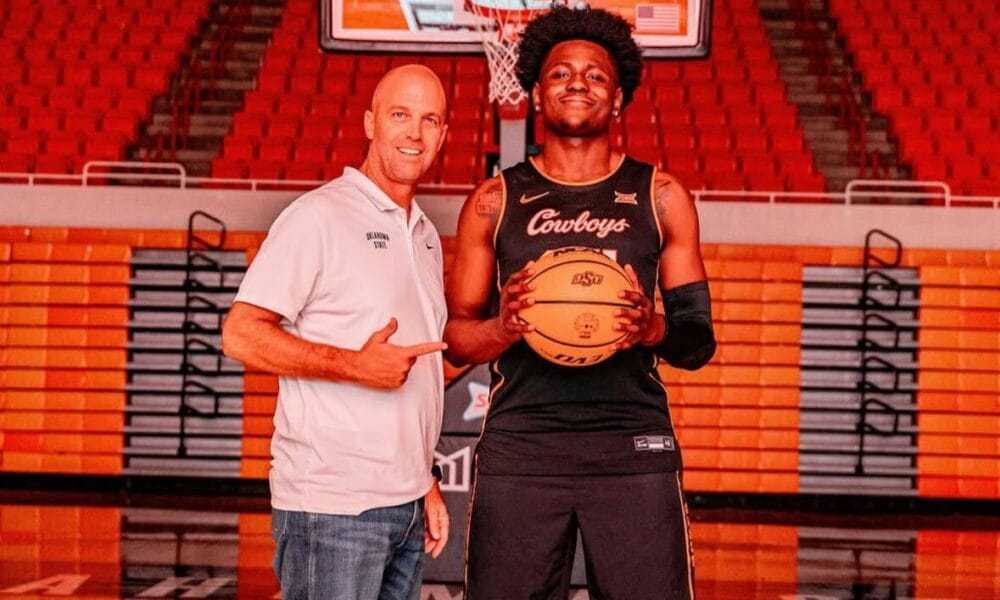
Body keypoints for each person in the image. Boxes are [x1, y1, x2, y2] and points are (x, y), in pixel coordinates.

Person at [443, 7, 717, 599]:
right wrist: (504, 327)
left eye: (595, 76)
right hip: (522, 449)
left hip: (632, 449)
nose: (577, 83)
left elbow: (698, 341)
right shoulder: (493, 201)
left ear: (617, 100)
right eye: (560, 73)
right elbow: (457, 339)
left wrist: (651, 329)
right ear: (535, 95)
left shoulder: (662, 197)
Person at [222, 64, 451, 600]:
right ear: (371, 123)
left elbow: (415, 384)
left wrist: (424, 482)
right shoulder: (318, 217)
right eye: (400, 114)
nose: (415, 133)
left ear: (443, 135)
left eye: (429, 120)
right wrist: (352, 365)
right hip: (331, 511)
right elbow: (241, 333)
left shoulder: (425, 236)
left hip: (405, 509)